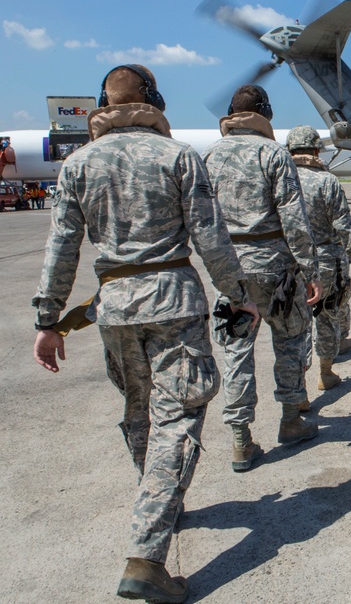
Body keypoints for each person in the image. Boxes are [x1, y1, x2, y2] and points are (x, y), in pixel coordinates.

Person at [31, 64, 258, 603]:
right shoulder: (177, 155)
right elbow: (210, 235)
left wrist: (48, 321)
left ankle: (155, 508)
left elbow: (61, 247)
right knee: (177, 417)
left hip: (113, 309)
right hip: (173, 302)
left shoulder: (78, 164)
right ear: (153, 99)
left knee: (139, 412)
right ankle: (146, 558)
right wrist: (238, 292)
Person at [202, 85, 323, 473]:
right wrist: (310, 270)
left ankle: (240, 439)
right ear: (265, 114)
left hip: (230, 273)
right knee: (289, 340)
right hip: (276, 269)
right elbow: (294, 220)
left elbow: (203, 225)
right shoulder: (274, 154)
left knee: (236, 351)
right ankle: (290, 419)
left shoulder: (208, 157)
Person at [284, 125, 351, 390]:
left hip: (289, 261)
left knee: (295, 325)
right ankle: (325, 372)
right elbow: (343, 224)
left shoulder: (281, 179)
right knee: (327, 315)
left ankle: (298, 390)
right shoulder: (326, 181)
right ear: (315, 149)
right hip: (325, 260)